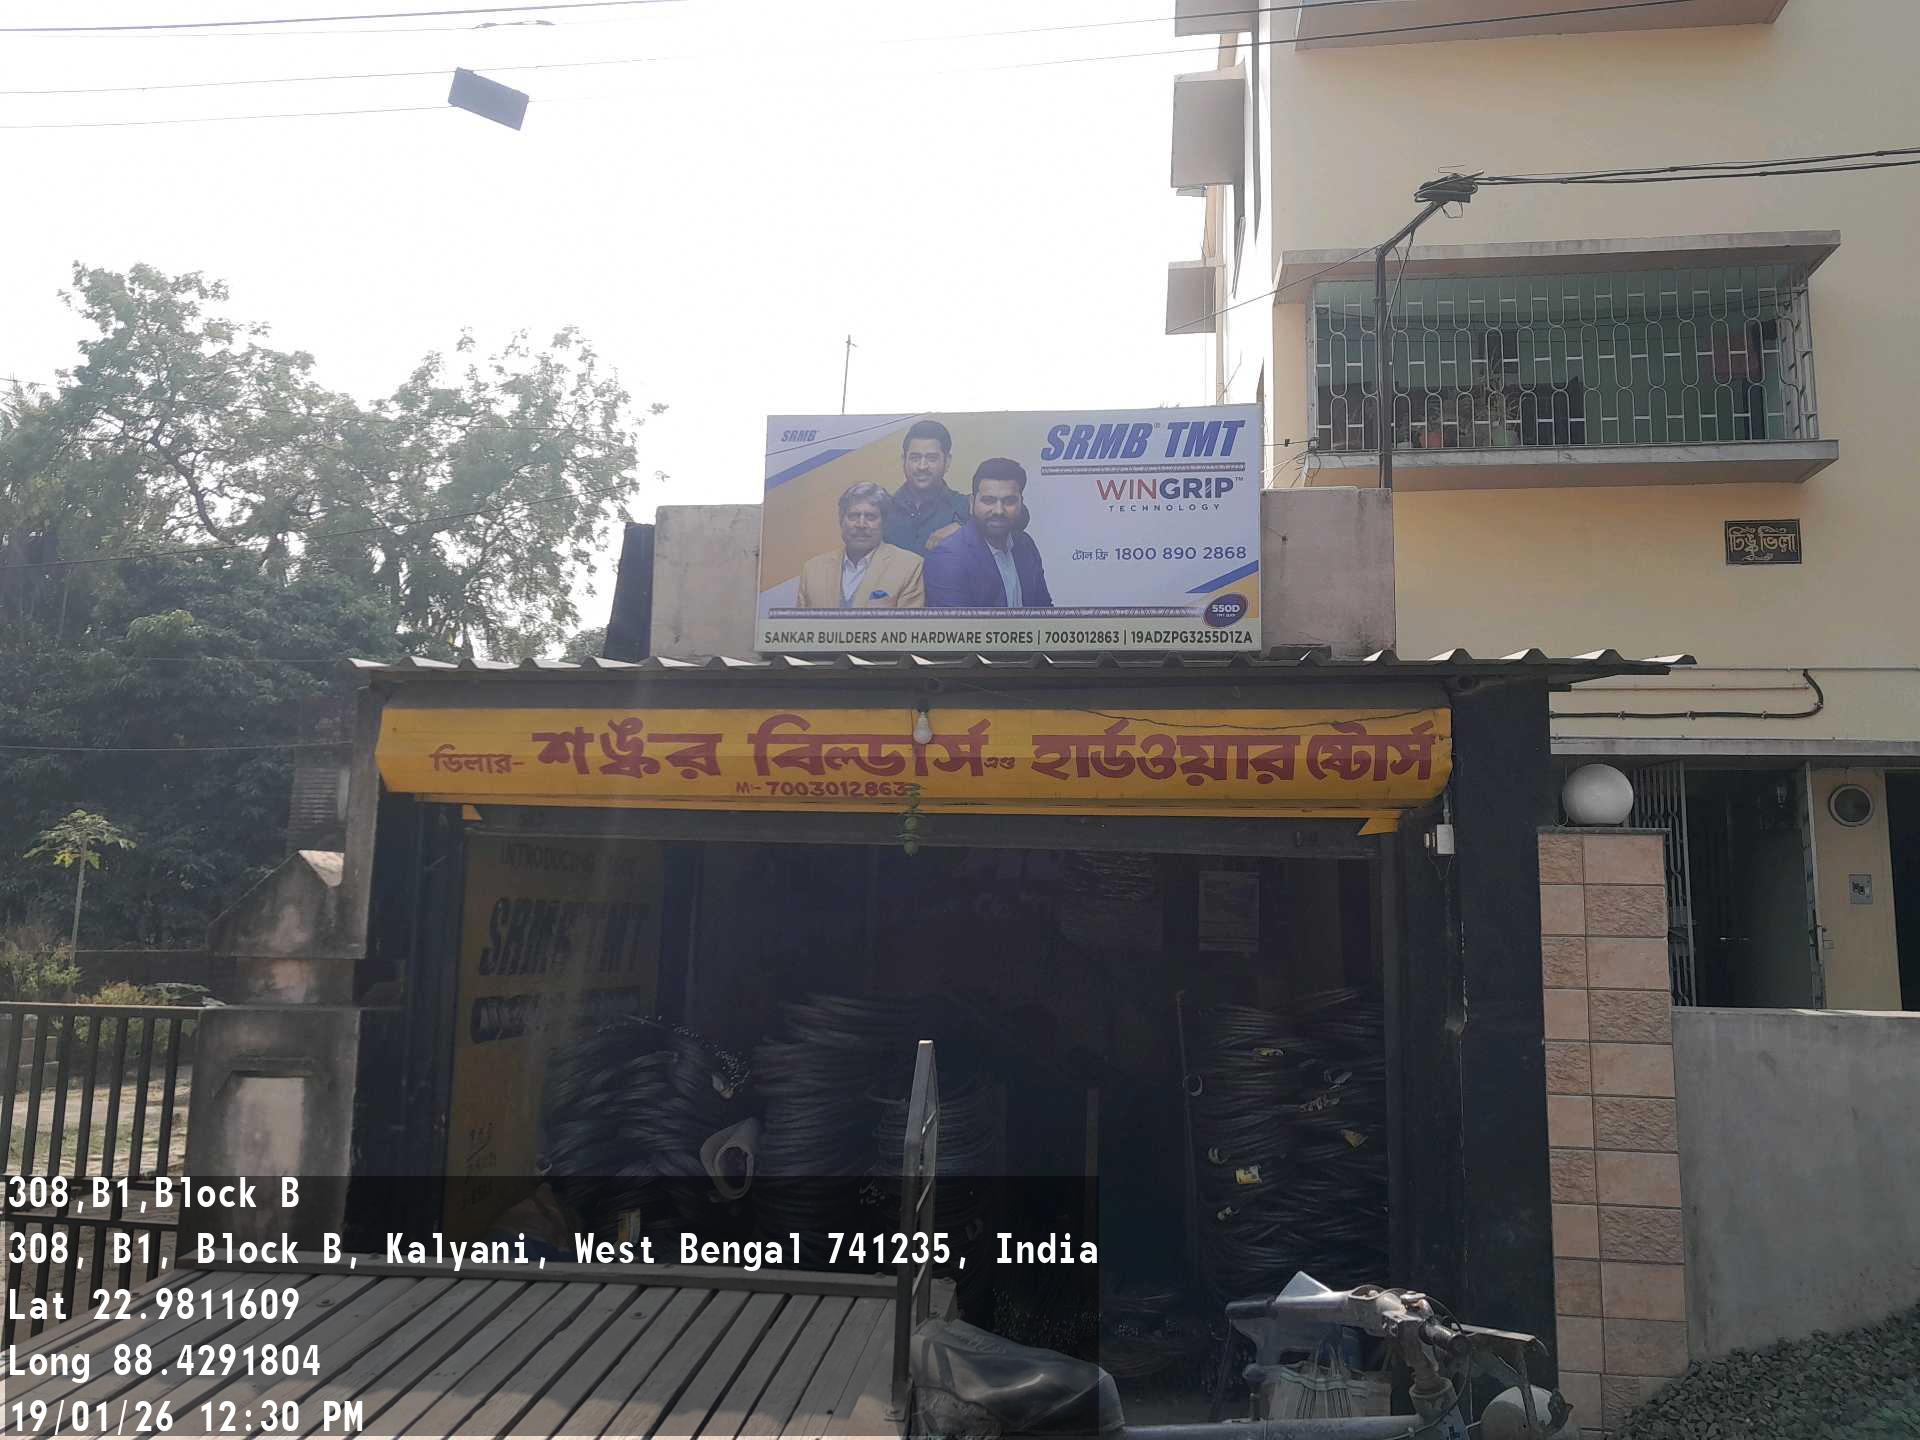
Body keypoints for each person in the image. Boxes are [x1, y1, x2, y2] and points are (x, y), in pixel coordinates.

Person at [924, 458, 1053, 609]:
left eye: (1009, 501)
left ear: (1021, 503)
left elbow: (1045, 612)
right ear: (972, 503)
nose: (999, 511)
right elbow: (957, 624)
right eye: (989, 500)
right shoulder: (948, 558)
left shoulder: (1025, 544)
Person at [796, 482, 925, 609]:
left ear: (885, 523)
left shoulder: (909, 566)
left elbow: (907, 623)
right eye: (853, 516)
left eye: (870, 517)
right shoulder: (812, 570)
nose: (861, 524)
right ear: (841, 521)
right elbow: (800, 622)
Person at [885, 418, 972, 556]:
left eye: (932, 458)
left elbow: (1008, 526)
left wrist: (968, 531)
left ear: (947, 461)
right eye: (915, 458)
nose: (922, 466)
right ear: (904, 460)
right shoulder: (883, 510)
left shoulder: (966, 508)